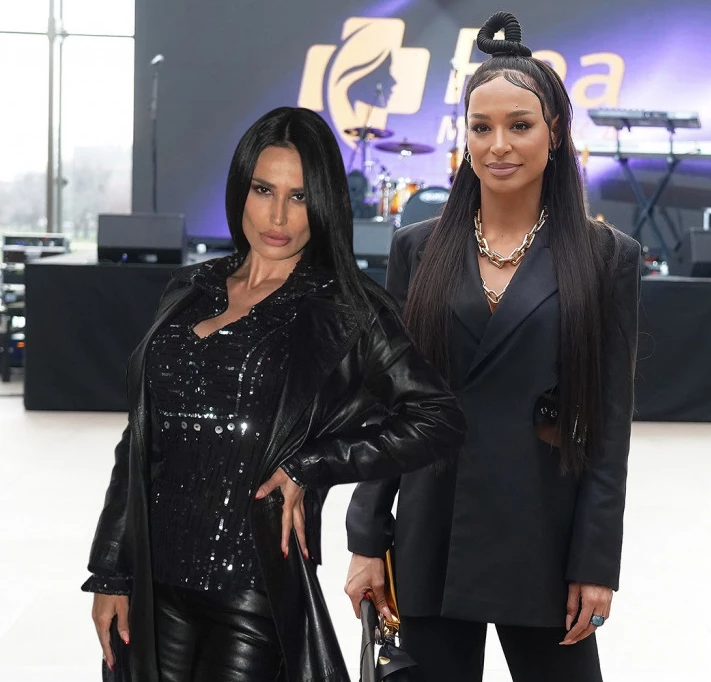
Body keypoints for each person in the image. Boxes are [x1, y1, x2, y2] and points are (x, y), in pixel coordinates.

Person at [83, 106, 467, 682]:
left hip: (252, 592)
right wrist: (111, 571)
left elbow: (438, 419)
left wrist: (310, 466)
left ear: (325, 203)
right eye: (264, 190)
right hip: (151, 586)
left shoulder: (346, 309)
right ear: (241, 189)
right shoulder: (190, 289)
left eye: (299, 196)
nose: (278, 215)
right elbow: (139, 439)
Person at [343, 12, 642, 682]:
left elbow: (608, 425)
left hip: (542, 532)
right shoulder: (417, 249)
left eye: (519, 125)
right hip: (431, 528)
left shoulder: (605, 258)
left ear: (554, 132)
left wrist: (595, 563)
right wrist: (367, 539)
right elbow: (387, 405)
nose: (498, 145)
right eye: (481, 127)